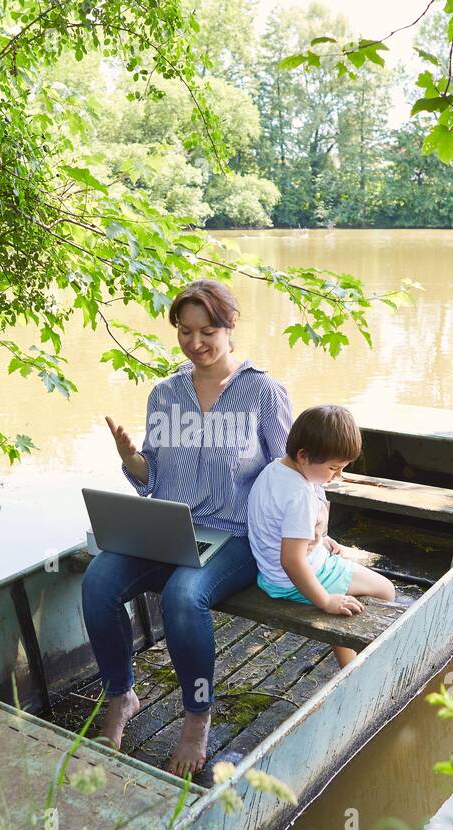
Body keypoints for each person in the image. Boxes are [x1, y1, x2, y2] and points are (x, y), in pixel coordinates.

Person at [81, 278, 292, 777]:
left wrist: (314, 526)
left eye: (208, 330)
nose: (195, 343)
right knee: (98, 581)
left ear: (230, 326)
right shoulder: (165, 393)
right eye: (185, 331)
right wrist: (130, 458)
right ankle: (121, 696)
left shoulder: (263, 392)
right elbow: (151, 477)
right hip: (171, 527)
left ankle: (197, 715)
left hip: (236, 533)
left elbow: (292, 470)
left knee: (182, 595)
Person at [245, 404, 396, 668]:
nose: (338, 476)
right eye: (334, 468)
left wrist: (318, 539)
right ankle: (358, 656)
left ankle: (348, 661)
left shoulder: (274, 470)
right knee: (386, 590)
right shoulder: (299, 495)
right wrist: (325, 601)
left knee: (353, 591)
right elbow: (292, 560)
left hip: (270, 576)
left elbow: (280, 527)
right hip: (294, 579)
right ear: (304, 456)